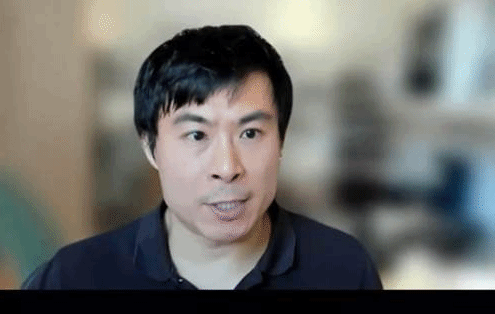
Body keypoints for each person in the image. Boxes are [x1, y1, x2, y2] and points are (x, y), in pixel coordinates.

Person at [22, 25, 382, 290]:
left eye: (250, 133)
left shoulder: (344, 270)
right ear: (150, 147)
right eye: (197, 135)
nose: (227, 168)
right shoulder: (73, 279)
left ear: (281, 141)